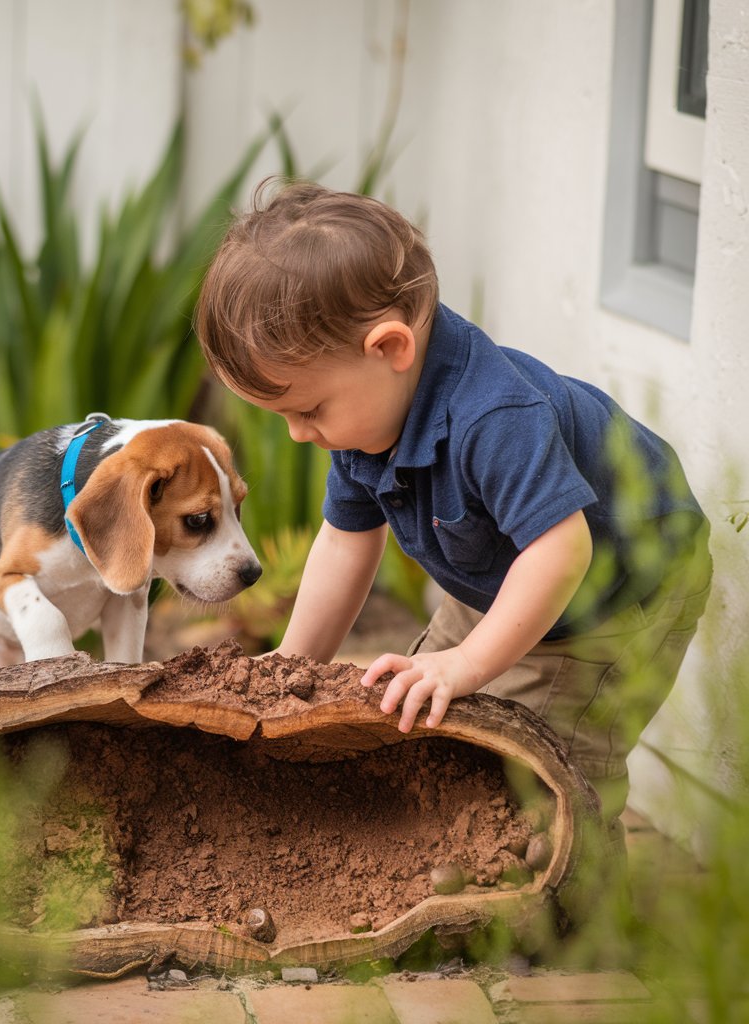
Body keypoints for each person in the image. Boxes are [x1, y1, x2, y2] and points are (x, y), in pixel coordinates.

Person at [195, 178, 712, 827]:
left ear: (389, 348)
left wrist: (466, 662)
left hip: (610, 594)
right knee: (429, 717)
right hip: (500, 567)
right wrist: (291, 668)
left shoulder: (494, 420)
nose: (301, 434)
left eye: (308, 410)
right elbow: (344, 541)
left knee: (543, 774)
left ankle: (574, 910)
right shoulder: (369, 408)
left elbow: (562, 550)